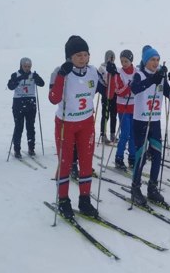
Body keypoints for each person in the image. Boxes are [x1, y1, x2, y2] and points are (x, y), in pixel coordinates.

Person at [48, 36, 100, 219]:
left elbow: (109, 92)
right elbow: (53, 98)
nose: (83, 58)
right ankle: (63, 201)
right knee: (65, 162)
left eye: (86, 54)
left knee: (86, 162)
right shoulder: (59, 72)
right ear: (69, 57)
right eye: (78, 55)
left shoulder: (93, 72)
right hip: (65, 123)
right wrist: (62, 75)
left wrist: (112, 73)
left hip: (86, 123)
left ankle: (84, 200)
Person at [130, 47, 170, 205]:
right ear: (145, 61)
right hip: (141, 121)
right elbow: (134, 89)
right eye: (152, 59)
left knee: (157, 155)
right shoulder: (139, 74)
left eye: (157, 60)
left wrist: (168, 78)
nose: (155, 63)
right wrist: (152, 80)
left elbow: (169, 94)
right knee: (141, 157)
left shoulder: (160, 75)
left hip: (155, 121)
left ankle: (152, 188)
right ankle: (135, 188)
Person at [7, 57, 45, 158]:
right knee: (18, 127)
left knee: (30, 127)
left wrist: (37, 78)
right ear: (21, 65)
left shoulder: (33, 75)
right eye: (25, 66)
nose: (27, 68)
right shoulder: (15, 75)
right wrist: (19, 79)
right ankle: (17, 150)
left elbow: (42, 84)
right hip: (18, 102)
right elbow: (10, 86)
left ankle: (31, 148)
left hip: (30, 102)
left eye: (29, 66)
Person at [111, 49, 136, 169]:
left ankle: (132, 157)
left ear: (131, 61)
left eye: (126, 61)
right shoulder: (119, 74)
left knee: (133, 134)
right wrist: (129, 86)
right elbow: (119, 92)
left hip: (135, 107)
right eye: (122, 61)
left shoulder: (137, 72)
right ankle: (119, 157)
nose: (124, 63)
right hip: (123, 107)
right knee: (125, 134)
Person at [98, 50, 118, 144]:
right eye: (110, 57)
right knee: (105, 115)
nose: (112, 59)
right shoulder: (102, 67)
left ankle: (112, 134)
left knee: (114, 114)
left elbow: (118, 80)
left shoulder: (115, 67)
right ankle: (103, 134)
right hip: (106, 93)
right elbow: (104, 80)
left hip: (114, 94)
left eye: (113, 57)